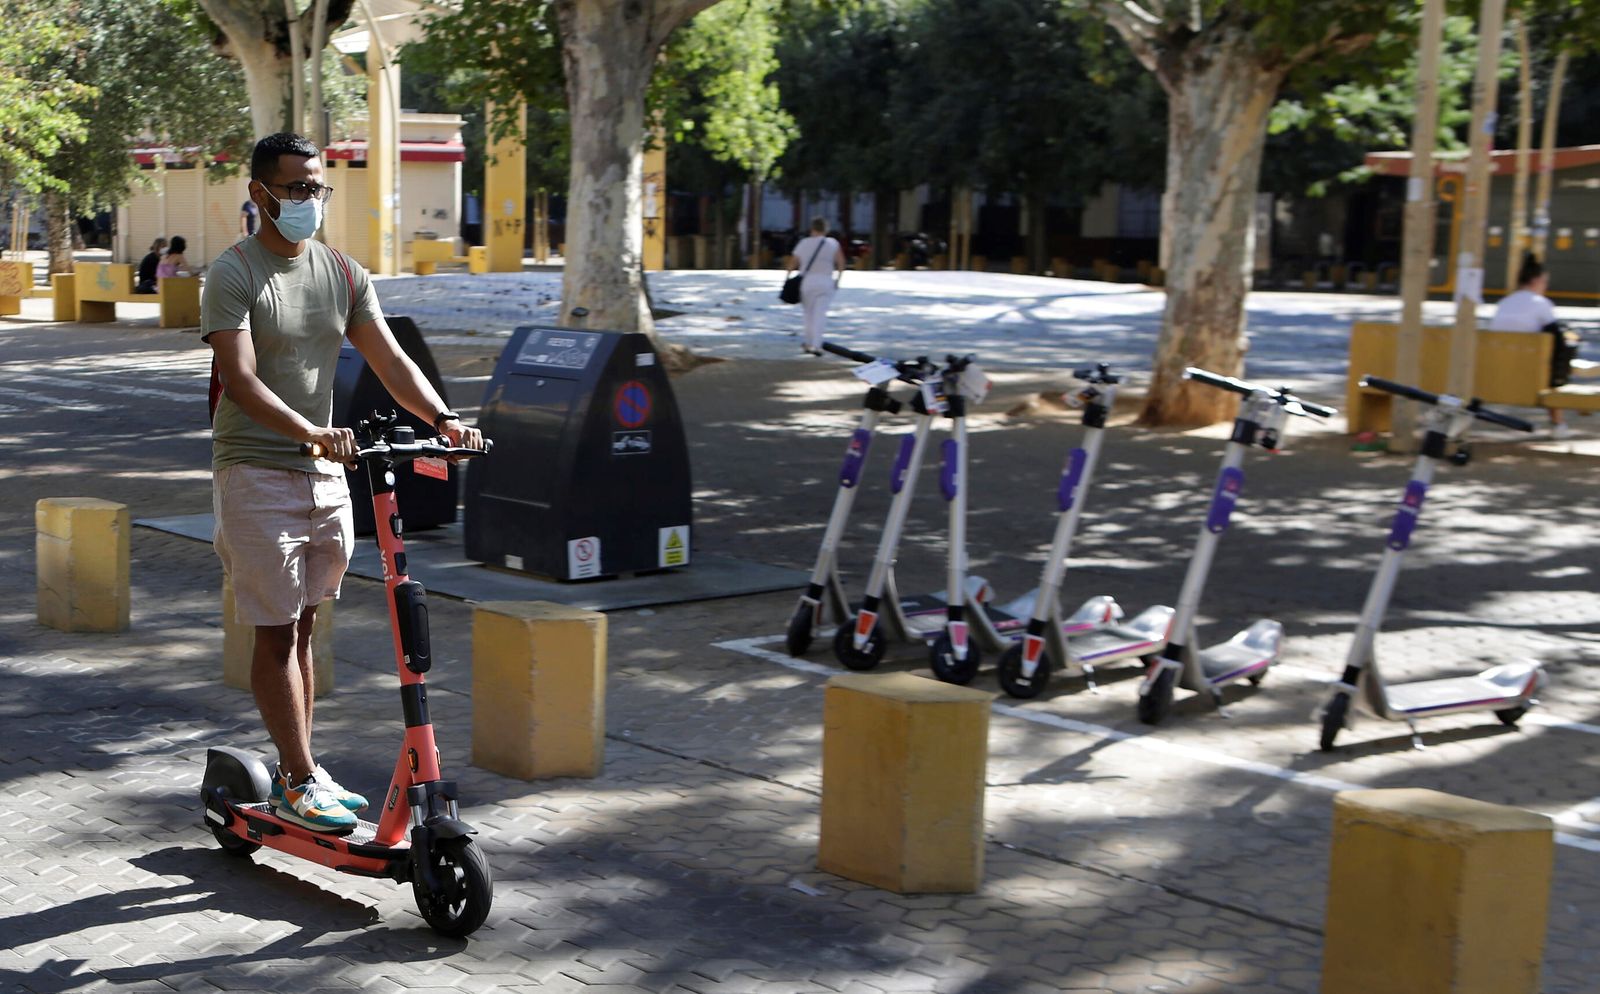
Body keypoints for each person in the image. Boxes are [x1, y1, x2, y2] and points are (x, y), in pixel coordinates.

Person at [202, 132, 483, 834]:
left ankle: (302, 773)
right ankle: (297, 778)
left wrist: (444, 419)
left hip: (325, 473)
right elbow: (240, 379)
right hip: (256, 471)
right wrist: (311, 430)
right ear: (260, 193)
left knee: (304, 629)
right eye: (296, 188)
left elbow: (391, 361)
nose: (310, 199)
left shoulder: (343, 272)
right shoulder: (234, 273)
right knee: (275, 634)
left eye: (317, 187)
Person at [1491, 255, 1571, 438]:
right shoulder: (1541, 304)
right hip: (1531, 373)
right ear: (1536, 280)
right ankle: (1558, 422)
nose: (1545, 286)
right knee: (1556, 361)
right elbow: (1557, 339)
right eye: (1545, 282)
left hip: (1497, 369)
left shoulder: (1504, 303)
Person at [786, 217, 845, 355]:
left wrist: (788, 277)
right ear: (826, 229)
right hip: (825, 281)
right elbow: (841, 262)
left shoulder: (803, 243)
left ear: (812, 228)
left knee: (808, 314)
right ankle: (817, 344)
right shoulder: (832, 243)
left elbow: (792, 263)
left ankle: (808, 343)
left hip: (808, 281)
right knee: (820, 313)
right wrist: (838, 279)